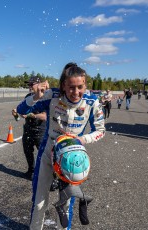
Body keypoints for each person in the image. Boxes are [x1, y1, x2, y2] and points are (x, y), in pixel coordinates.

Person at [16, 62, 105, 230]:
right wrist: (35, 96)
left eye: (80, 87)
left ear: (85, 85)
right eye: (71, 87)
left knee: (66, 203)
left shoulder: (92, 102)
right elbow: (21, 109)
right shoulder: (51, 95)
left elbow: (100, 131)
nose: (76, 92)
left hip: (72, 156)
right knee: (39, 201)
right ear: (63, 85)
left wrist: (81, 140)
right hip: (48, 151)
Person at [12, 76, 48, 179]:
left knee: (45, 156)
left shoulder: (45, 97)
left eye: (31, 84)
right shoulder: (29, 96)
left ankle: (51, 177)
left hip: (41, 130)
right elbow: (19, 118)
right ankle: (30, 171)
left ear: (39, 84)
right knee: (27, 151)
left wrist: (32, 115)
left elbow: (46, 116)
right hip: (28, 129)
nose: (30, 86)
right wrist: (15, 114)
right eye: (29, 84)